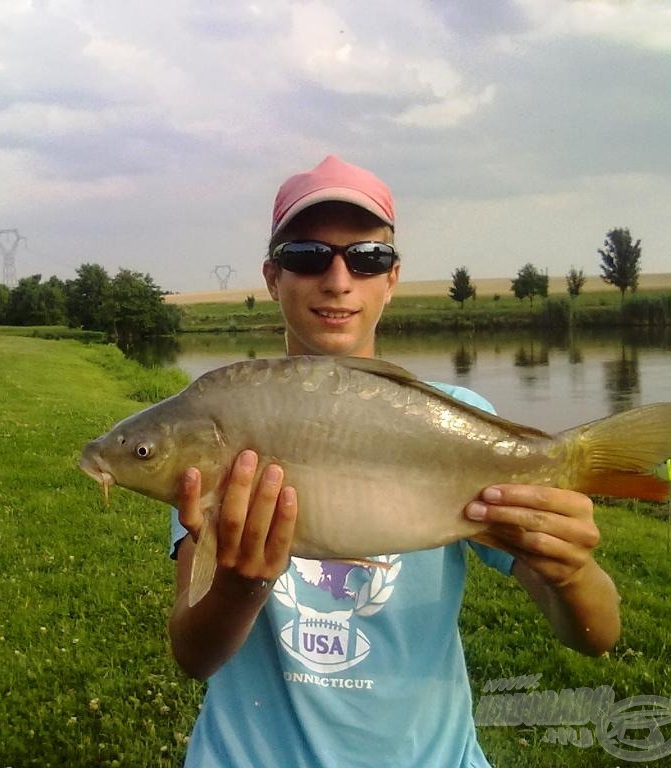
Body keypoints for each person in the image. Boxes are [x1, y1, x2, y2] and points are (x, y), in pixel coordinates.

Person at [167, 155, 621, 767]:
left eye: (366, 258)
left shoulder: (459, 417)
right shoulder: (224, 420)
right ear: (273, 277)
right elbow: (194, 655)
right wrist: (240, 587)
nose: (337, 279)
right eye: (307, 256)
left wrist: (570, 574)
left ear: (392, 278)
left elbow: (595, 635)